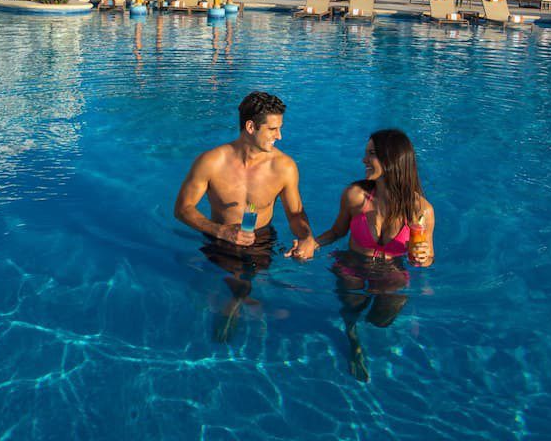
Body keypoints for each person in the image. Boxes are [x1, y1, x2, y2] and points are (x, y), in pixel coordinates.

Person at [175, 91, 319, 339]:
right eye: (273, 129)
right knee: (209, 287)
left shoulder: (283, 167)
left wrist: (307, 237)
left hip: (260, 240)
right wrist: (221, 231)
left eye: (280, 128)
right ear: (251, 126)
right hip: (218, 237)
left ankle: (235, 305)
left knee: (240, 280)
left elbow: (295, 214)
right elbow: (182, 208)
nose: (280, 136)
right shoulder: (211, 162)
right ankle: (240, 305)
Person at [315, 129, 436, 381]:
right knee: (351, 305)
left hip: (391, 271)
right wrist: (312, 243)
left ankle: (373, 326)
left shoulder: (420, 210)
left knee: (382, 320)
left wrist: (424, 259)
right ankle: (352, 337)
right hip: (352, 264)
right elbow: (337, 231)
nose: (363, 160)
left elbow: (427, 257)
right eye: (366, 153)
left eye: (371, 154)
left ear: (392, 160)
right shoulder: (356, 196)